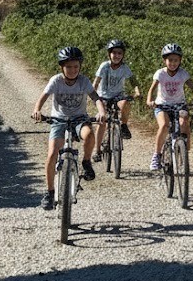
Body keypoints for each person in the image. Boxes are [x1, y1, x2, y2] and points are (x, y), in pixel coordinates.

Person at [32, 46, 106, 210]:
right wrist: (37, 110)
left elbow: (96, 97)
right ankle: (50, 192)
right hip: (58, 120)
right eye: (68, 67)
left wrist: (101, 111)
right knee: (52, 154)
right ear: (61, 67)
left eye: (76, 67)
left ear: (80, 67)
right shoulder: (56, 81)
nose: (72, 70)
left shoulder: (84, 81)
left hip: (79, 119)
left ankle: (86, 162)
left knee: (89, 135)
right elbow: (43, 97)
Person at [145, 43, 193, 171]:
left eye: (176, 60)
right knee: (164, 125)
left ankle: (183, 149)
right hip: (162, 105)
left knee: (184, 122)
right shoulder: (160, 73)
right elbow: (152, 89)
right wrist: (149, 100)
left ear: (180, 61)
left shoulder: (183, 74)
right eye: (170, 60)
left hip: (179, 105)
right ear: (164, 60)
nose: (173, 63)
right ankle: (157, 155)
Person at [92, 39, 141, 162]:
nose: (117, 56)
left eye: (120, 53)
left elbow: (133, 81)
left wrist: (137, 91)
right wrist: (93, 95)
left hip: (118, 96)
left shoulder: (125, 67)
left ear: (123, 55)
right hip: (103, 96)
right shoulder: (104, 66)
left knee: (125, 103)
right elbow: (96, 82)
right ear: (109, 54)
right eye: (114, 53)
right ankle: (97, 150)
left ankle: (123, 125)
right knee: (102, 121)